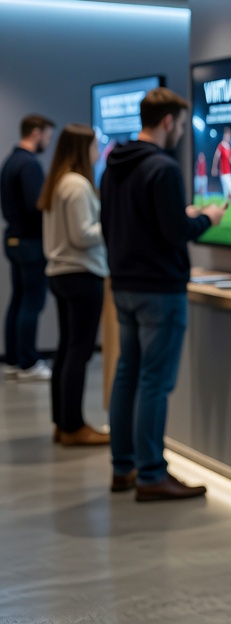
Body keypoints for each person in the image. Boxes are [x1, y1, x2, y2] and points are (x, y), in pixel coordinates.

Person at [102, 88, 227, 501]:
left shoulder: (115, 165)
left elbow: (121, 223)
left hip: (123, 283)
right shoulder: (163, 167)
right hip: (159, 287)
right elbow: (175, 233)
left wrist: (179, 217)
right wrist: (206, 218)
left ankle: (124, 467)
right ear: (169, 121)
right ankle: (152, 473)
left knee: (127, 375)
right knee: (154, 381)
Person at [38, 124, 110, 446]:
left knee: (67, 350)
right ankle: (74, 426)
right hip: (81, 274)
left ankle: (63, 423)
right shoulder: (77, 185)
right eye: (95, 146)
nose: (98, 152)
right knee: (78, 353)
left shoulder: (58, 182)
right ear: (84, 148)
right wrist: (112, 223)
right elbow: (83, 236)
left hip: (60, 274)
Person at [2, 114, 55, 381]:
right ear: (36, 132)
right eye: (47, 135)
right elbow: (35, 206)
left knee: (19, 300)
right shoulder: (29, 164)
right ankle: (27, 362)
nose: (48, 141)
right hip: (30, 243)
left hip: (13, 239)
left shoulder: (11, 161)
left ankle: (13, 358)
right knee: (32, 302)